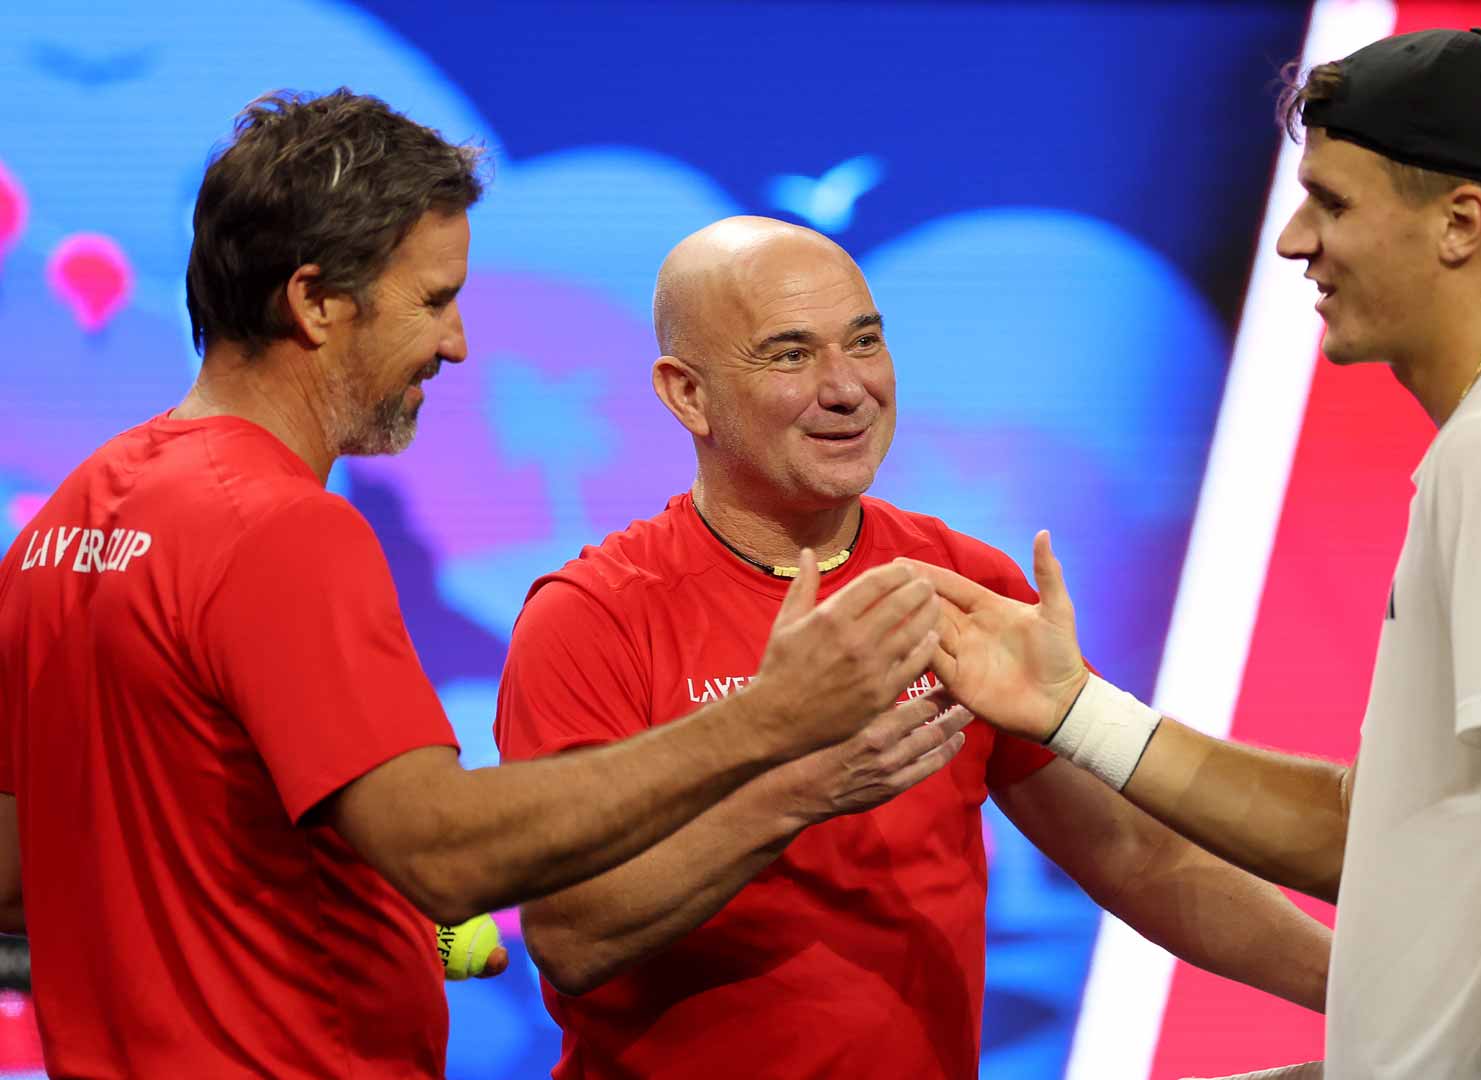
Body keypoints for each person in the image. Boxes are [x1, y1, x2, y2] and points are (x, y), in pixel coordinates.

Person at [0, 91, 945, 1079]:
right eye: (434, 301)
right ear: (316, 301)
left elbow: (17, 877)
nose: (454, 345)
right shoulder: (281, 530)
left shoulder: (71, 518)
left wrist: (295, 919)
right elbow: (444, 859)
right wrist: (771, 720)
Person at [916, 29, 1481, 1080]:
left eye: (1332, 203)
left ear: (1461, 223)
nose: (1295, 240)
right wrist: (1074, 708)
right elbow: (1373, 837)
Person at [492, 215, 1333, 1079]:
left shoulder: (963, 583)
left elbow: (1137, 856)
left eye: (865, 341)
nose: (848, 387)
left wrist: (1369, 995)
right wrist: (793, 793)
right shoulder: (593, 619)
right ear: (686, 395)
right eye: (790, 354)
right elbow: (571, 935)